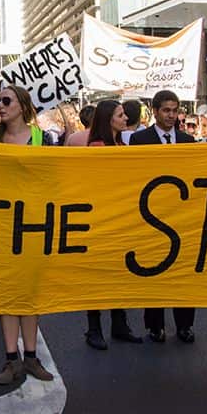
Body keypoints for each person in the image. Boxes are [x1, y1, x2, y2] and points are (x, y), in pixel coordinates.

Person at [0, 86, 57, 386]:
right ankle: (11, 359)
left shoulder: (43, 139)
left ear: (22, 106)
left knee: (31, 293)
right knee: (7, 294)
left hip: (34, 225)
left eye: (5, 101)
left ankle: (31, 357)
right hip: (1, 225)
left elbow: (55, 177)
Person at [129, 90, 197, 343]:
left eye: (175, 110)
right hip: (151, 216)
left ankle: (184, 325)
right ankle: (155, 326)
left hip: (181, 216)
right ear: (155, 111)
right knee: (154, 272)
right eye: (166, 110)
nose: (171, 115)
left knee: (183, 274)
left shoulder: (188, 140)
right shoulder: (139, 139)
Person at [78, 100, 142, 349]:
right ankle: (94, 329)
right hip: (101, 220)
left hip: (120, 218)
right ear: (108, 119)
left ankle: (119, 324)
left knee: (118, 275)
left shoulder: (120, 144)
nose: (125, 118)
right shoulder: (97, 147)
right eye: (120, 115)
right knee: (97, 277)